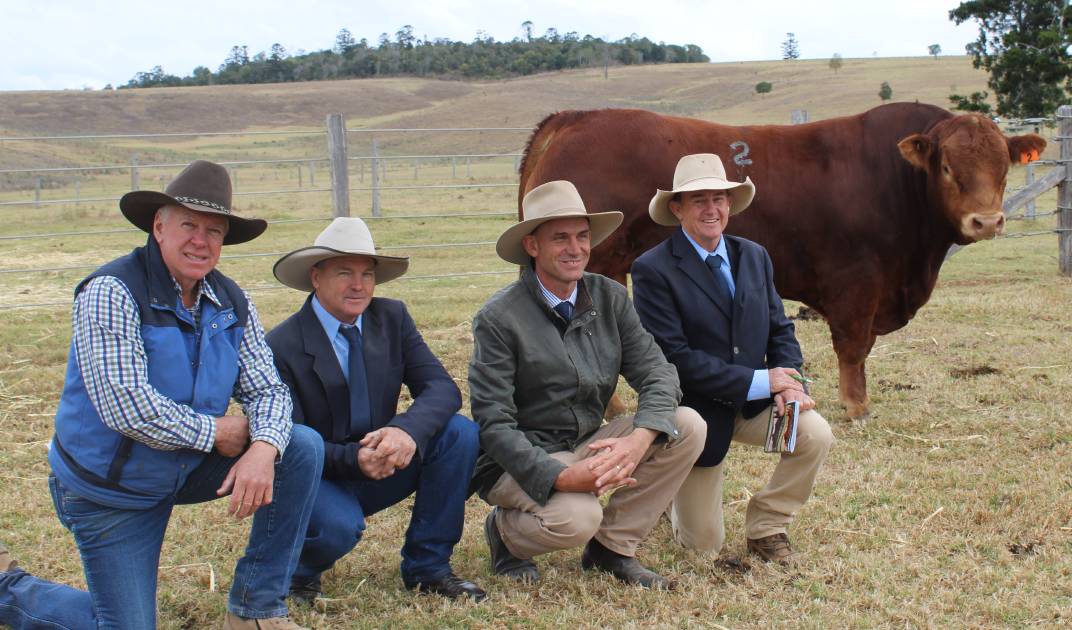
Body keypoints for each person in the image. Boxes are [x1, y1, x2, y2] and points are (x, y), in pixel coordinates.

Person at [0, 160, 323, 630]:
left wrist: (263, 447)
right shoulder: (111, 291)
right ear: (159, 227)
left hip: (180, 466)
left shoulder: (231, 301)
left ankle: (255, 611)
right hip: (111, 489)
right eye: (189, 225)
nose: (201, 240)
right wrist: (217, 431)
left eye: (214, 230)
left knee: (299, 446)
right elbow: (126, 406)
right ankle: (8, 588)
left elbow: (269, 388)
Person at [470, 180, 706, 589]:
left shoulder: (609, 297)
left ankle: (612, 550)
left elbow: (659, 372)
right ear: (532, 246)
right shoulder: (498, 318)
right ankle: (505, 534)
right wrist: (559, 478)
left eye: (582, 237)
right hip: (523, 459)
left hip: (586, 440)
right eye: (559, 238)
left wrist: (637, 440)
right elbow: (493, 424)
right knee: (578, 517)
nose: (575, 249)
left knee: (687, 426)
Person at [266, 218, 485, 602]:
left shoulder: (392, 318)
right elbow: (290, 440)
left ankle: (428, 567)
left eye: (368, 274)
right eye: (345, 272)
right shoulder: (282, 344)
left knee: (459, 434)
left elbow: (441, 388)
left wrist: (406, 432)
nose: (359, 285)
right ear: (316, 277)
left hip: (383, 458)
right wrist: (355, 460)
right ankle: (298, 570)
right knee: (338, 527)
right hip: (319, 473)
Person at [631, 153, 834, 566]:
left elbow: (780, 328)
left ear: (730, 204)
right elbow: (675, 358)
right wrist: (765, 381)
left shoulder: (754, 255)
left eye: (719, 198)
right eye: (699, 200)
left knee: (815, 433)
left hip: (755, 403)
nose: (712, 209)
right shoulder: (652, 270)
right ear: (677, 208)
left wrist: (791, 383)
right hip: (697, 416)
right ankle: (671, 497)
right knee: (702, 547)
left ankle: (767, 527)